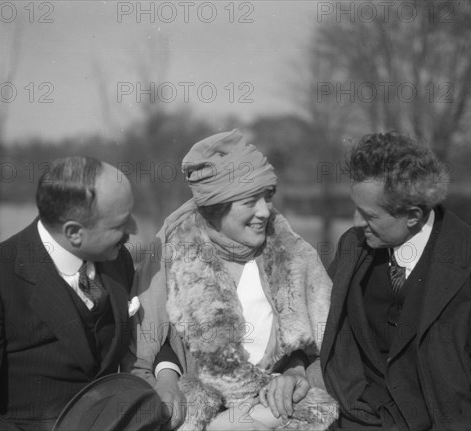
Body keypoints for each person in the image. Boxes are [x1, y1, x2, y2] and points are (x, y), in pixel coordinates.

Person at [0, 156, 183, 430]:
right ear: (74, 232)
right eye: (120, 224)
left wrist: (166, 375)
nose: (133, 231)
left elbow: (149, 332)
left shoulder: (117, 260)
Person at [125, 130, 338, 430]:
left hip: (276, 410)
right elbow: (151, 348)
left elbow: (321, 349)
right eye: (250, 201)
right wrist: (168, 378)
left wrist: (296, 374)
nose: (264, 212)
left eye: (267, 197)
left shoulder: (293, 255)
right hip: (197, 412)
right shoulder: (174, 256)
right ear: (216, 207)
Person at [318, 131, 471, 430]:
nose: (356, 223)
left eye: (368, 215)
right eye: (355, 209)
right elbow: (317, 321)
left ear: (412, 215)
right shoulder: (353, 246)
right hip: (355, 415)